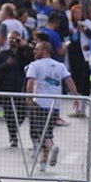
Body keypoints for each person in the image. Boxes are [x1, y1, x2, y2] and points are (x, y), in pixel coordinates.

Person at [26, 39, 78, 172]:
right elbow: (69, 80)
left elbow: (30, 82)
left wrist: (29, 98)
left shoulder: (34, 64)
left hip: (39, 102)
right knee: (47, 131)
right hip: (55, 104)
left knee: (40, 131)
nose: (34, 51)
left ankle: (52, 147)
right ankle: (43, 162)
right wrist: (76, 96)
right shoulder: (60, 65)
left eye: (37, 49)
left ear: (45, 51)